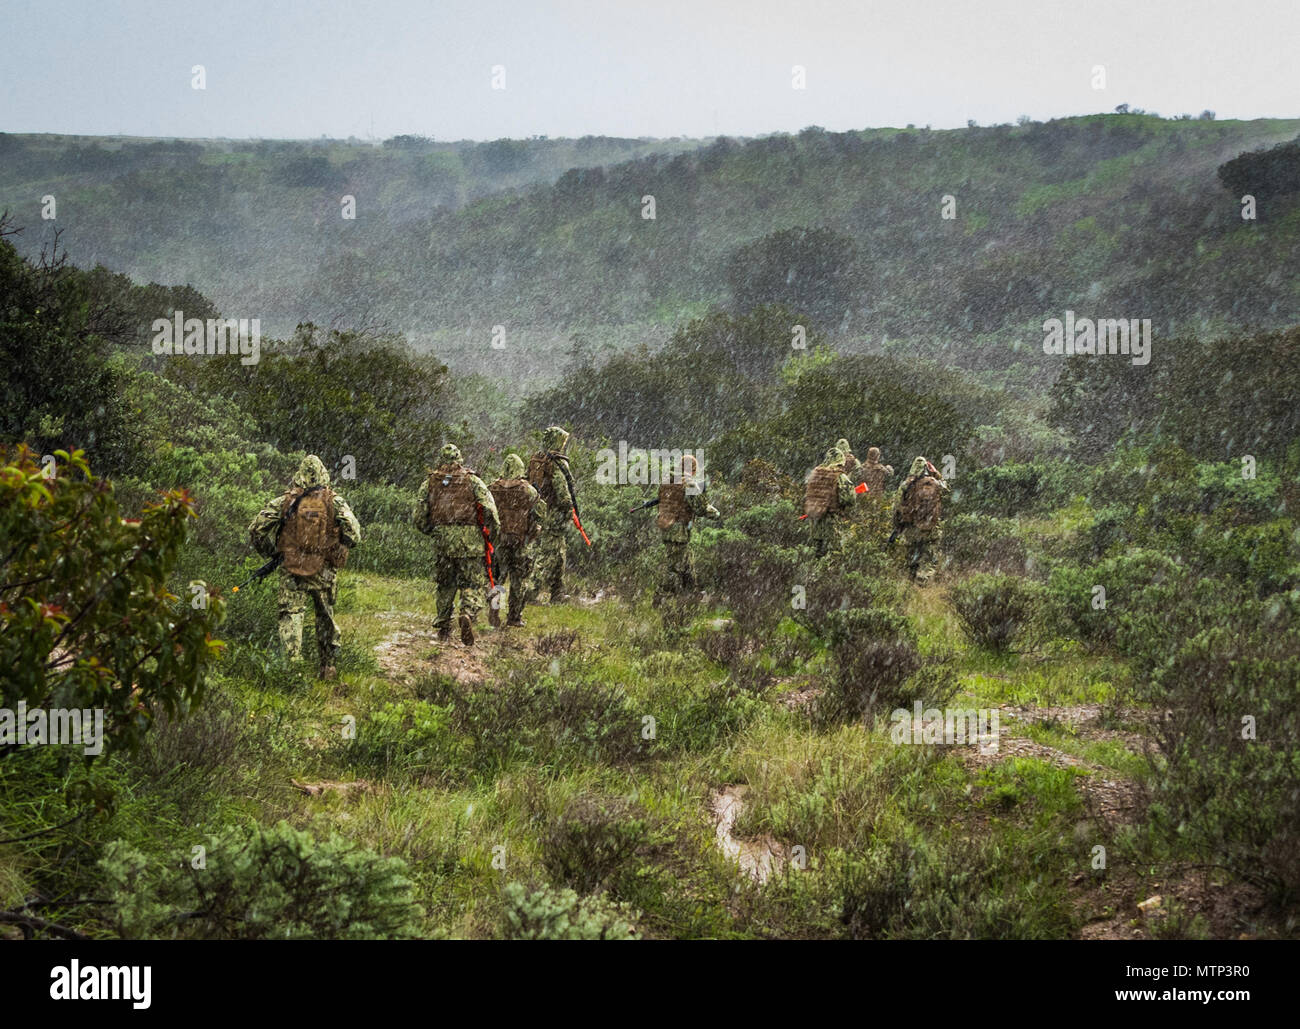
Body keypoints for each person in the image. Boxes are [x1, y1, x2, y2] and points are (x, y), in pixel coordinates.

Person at [248, 454, 360, 678]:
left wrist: (272, 552)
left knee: (291, 614)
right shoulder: (334, 501)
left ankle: (293, 669)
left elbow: (256, 528)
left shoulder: (285, 501)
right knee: (325, 616)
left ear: (299, 476)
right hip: (324, 570)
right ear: (324, 475)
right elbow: (354, 534)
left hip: (292, 568)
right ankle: (327, 666)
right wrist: (338, 545)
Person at [413, 443, 499, 646]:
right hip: (470, 541)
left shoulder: (430, 483)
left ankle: (443, 625)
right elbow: (490, 510)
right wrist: (491, 534)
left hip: (443, 541)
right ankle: (467, 613)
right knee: (472, 583)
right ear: (460, 459)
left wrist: (433, 531)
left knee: (445, 584)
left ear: (441, 460)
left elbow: (418, 516)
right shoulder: (473, 481)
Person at [487, 453, 547, 628]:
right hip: (520, 541)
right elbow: (540, 514)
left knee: (497, 579)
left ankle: (494, 611)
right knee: (518, 580)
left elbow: (486, 514)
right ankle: (514, 617)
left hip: (499, 540)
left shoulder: (492, 488)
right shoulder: (528, 490)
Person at [654, 453, 720, 603]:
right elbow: (700, 508)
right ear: (694, 470)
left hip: (667, 529)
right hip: (679, 532)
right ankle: (661, 597)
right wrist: (715, 513)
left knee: (687, 566)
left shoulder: (667, 481)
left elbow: (667, 501)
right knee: (675, 568)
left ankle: (692, 597)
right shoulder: (688, 483)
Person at [526, 426, 576, 603]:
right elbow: (563, 492)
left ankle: (558, 592)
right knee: (548, 554)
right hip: (554, 514)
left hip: (539, 511)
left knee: (559, 552)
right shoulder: (557, 463)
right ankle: (530, 592)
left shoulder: (537, 459)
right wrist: (570, 509)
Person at [891, 456, 948, 584]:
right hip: (931, 527)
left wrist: (897, 525)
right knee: (929, 557)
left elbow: (896, 505)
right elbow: (947, 490)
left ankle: (911, 584)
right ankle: (922, 583)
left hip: (911, 526)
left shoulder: (905, 484)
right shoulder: (936, 483)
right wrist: (937, 474)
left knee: (911, 556)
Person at [804, 446, 858, 557]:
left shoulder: (815, 474)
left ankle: (814, 573)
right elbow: (849, 499)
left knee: (816, 553)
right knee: (834, 554)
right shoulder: (840, 476)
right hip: (832, 521)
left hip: (815, 520)